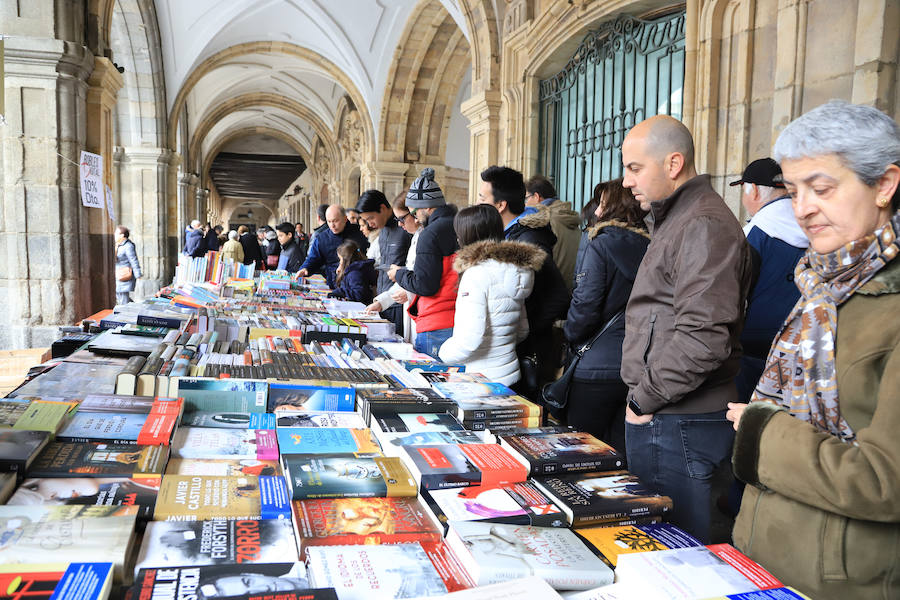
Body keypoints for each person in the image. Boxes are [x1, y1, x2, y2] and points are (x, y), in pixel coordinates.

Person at [726, 100, 900, 600]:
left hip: (843, 581)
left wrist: (760, 429)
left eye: (821, 188)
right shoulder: (821, 283)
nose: (802, 207)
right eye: (794, 189)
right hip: (768, 561)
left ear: (884, 185)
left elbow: (884, 481)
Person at [619, 115, 754, 543]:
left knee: (674, 548)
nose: (626, 181)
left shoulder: (702, 224)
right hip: (671, 413)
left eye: (634, 168)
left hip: (677, 416)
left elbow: (703, 335)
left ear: (673, 163)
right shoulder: (683, 218)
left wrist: (643, 400)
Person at [562, 178, 649, 452]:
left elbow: (585, 305)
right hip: (634, 364)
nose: (597, 212)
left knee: (580, 450)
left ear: (617, 207)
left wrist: (569, 334)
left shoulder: (599, 243)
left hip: (593, 365)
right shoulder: (652, 246)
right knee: (619, 452)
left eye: (602, 204)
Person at [478, 165, 570, 397]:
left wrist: (523, 330)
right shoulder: (509, 235)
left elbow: (559, 298)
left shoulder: (527, 241)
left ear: (501, 205)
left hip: (526, 351)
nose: (478, 203)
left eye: (482, 197)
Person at [730, 158, 809, 403]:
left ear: (752, 190)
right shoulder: (815, 226)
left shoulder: (755, 233)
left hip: (753, 349)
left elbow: (733, 293)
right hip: (803, 344)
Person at [438, 204, 544, 385]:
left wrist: (443, 352)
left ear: (468, 236)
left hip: (479, 379)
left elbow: (469, 340)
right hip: (509, 372)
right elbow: (522, 330)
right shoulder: (515, 270)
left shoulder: (476, 274)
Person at [388, 168, 459, 358]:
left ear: (427, 207)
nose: (415, 216)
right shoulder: (457, 224)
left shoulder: (430, 233)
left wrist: (399, 274)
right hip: (457, 319)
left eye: (414, 211)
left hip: (435, 321)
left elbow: (425, 284)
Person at [367, 192, 423, 342]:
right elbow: (410, 277)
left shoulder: (422, 237)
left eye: (402, 219)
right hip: (403, 302)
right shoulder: (415, 236)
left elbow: (424, 278)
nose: (399, 224)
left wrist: (401, 277)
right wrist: (382, 302)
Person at [356, 189, 412, 336]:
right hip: (384, 298)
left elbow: (413, 265)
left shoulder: (405, 228)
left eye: (370, 218)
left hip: (399, 300)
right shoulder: (383, 231)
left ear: (382, 208)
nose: (370, 224)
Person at [525, 175, 581, 292]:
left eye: (526, 198)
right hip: (572, 293)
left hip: (551, 294)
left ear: (536, 197)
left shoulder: (543, 220)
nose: (524, 204)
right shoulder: (568, 217)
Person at [298, 204, 369, 288]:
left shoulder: (360, 232)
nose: (332, 225)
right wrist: (305, 268)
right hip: (334, 284)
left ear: (345, 219)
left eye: (335, 221)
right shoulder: (322, 238)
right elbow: (313, 258)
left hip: (358, 282)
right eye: (329, 221)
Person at [114, 225, 141, 305]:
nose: (114, 235)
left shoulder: (128, 246)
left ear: (122, 235)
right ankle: (134, 308)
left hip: (124, 275)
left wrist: (138, 274)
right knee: (120, 298)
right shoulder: (117, 245)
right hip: (117, 275)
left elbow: (133, 260)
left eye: (116, 233)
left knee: (123, 299)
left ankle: (126, 314)